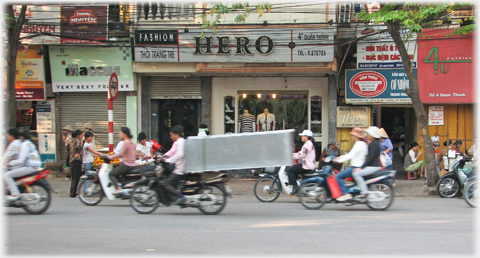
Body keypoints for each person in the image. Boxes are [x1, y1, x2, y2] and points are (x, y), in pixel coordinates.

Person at [3, 130, 41, 201]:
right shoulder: (30, 143)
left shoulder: (24, 145)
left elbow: (20, 161)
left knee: (7, 175)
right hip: (35, 166)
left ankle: (16, 194)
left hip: (30, 167)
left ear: (22, 137)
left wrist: (9, 163)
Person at [333, 127, 368, 202]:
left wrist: (339, 161)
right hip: (358, 166)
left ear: (356, 136)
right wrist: (340, 157)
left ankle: (346, 193)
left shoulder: (359, 144)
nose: (352, 136)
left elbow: (350, 155)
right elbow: (350, 154)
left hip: (355, 167)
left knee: (338, 176)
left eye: (353, 135)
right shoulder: (362, 144)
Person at [351, 126, 383, 200]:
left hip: (373, 166)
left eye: (369, 134)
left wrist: (361, 167)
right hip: (372, 165)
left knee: (356, 173)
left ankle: (364, 192)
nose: (367, 135)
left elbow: (370, 158)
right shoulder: (374, 143)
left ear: (372, 135)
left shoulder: (374, 144)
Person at [103, 127, 137, 195]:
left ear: (125, 134)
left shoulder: (126, 142)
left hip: (127, 164)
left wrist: (110, 157)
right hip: (131, 163)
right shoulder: (131, 142)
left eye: (120, 133)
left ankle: (119, 188)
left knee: (111, 174)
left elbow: (121, 153)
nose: (119, 134)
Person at [160, 125, 187, 205]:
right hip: (177, 166)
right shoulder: (177, 142)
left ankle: (180, 197)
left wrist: (168, 160)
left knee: (166, 183)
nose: (171, 137)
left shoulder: (181, 141)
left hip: (180, 169)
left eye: (171, 135)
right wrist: (163, 156)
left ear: (176, 134)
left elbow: (180, 154)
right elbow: (171, 152)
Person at [287, 130, 316, 195]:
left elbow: (301, 154)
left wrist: (291, 156)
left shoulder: (307, 144)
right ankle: (298, 183)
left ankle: (295, 187)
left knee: (290, 171)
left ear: (306, 136)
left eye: (303, 136)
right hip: (307, 165)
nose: (301, 137)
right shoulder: (309, 144)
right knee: (295, 169)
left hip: (307, 166)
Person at [69, 130, 84, 197]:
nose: (82, 136)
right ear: (78, 136)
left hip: (72, 160)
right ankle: (73, 193)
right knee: (76, 177)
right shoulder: (77, 141)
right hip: (76, 160)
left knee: (73, 177)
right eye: (81, 135)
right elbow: (78, 147)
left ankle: (72, 192)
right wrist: (79, 152)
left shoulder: (71, 140)